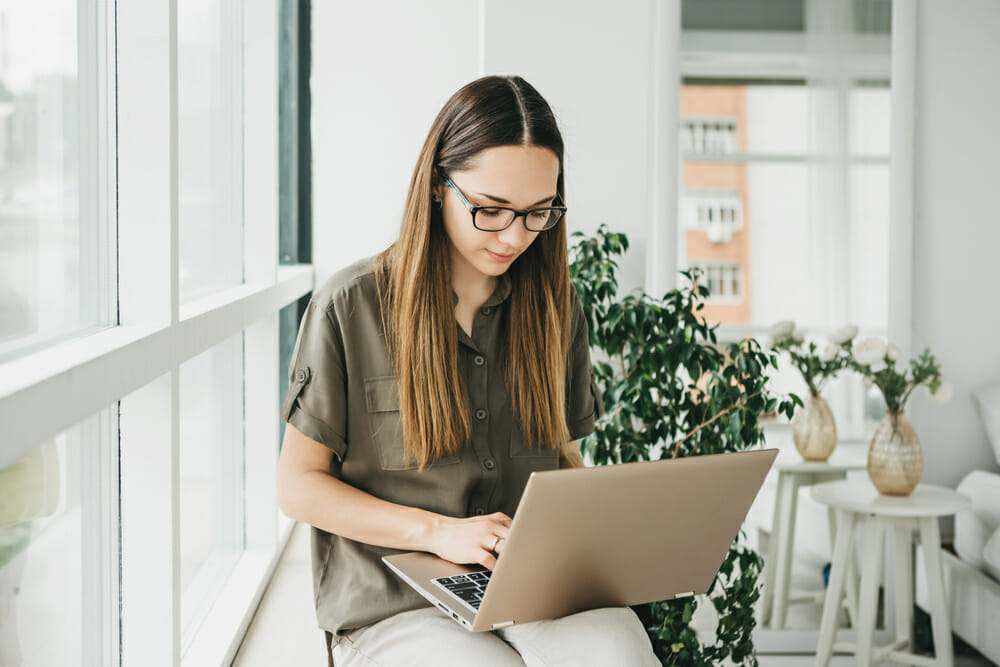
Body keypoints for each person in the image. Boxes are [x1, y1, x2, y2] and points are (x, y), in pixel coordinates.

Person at [276, 75, 660, 667]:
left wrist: (608, 530)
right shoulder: (349, 308)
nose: (514, 236)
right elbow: (297, 484)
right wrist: (438, 532)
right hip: (394, 602)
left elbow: (561, 458)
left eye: (538, 213)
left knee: (619, 653)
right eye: (490, 210)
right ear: (437, 186)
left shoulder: (558, 309)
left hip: (529, 589)